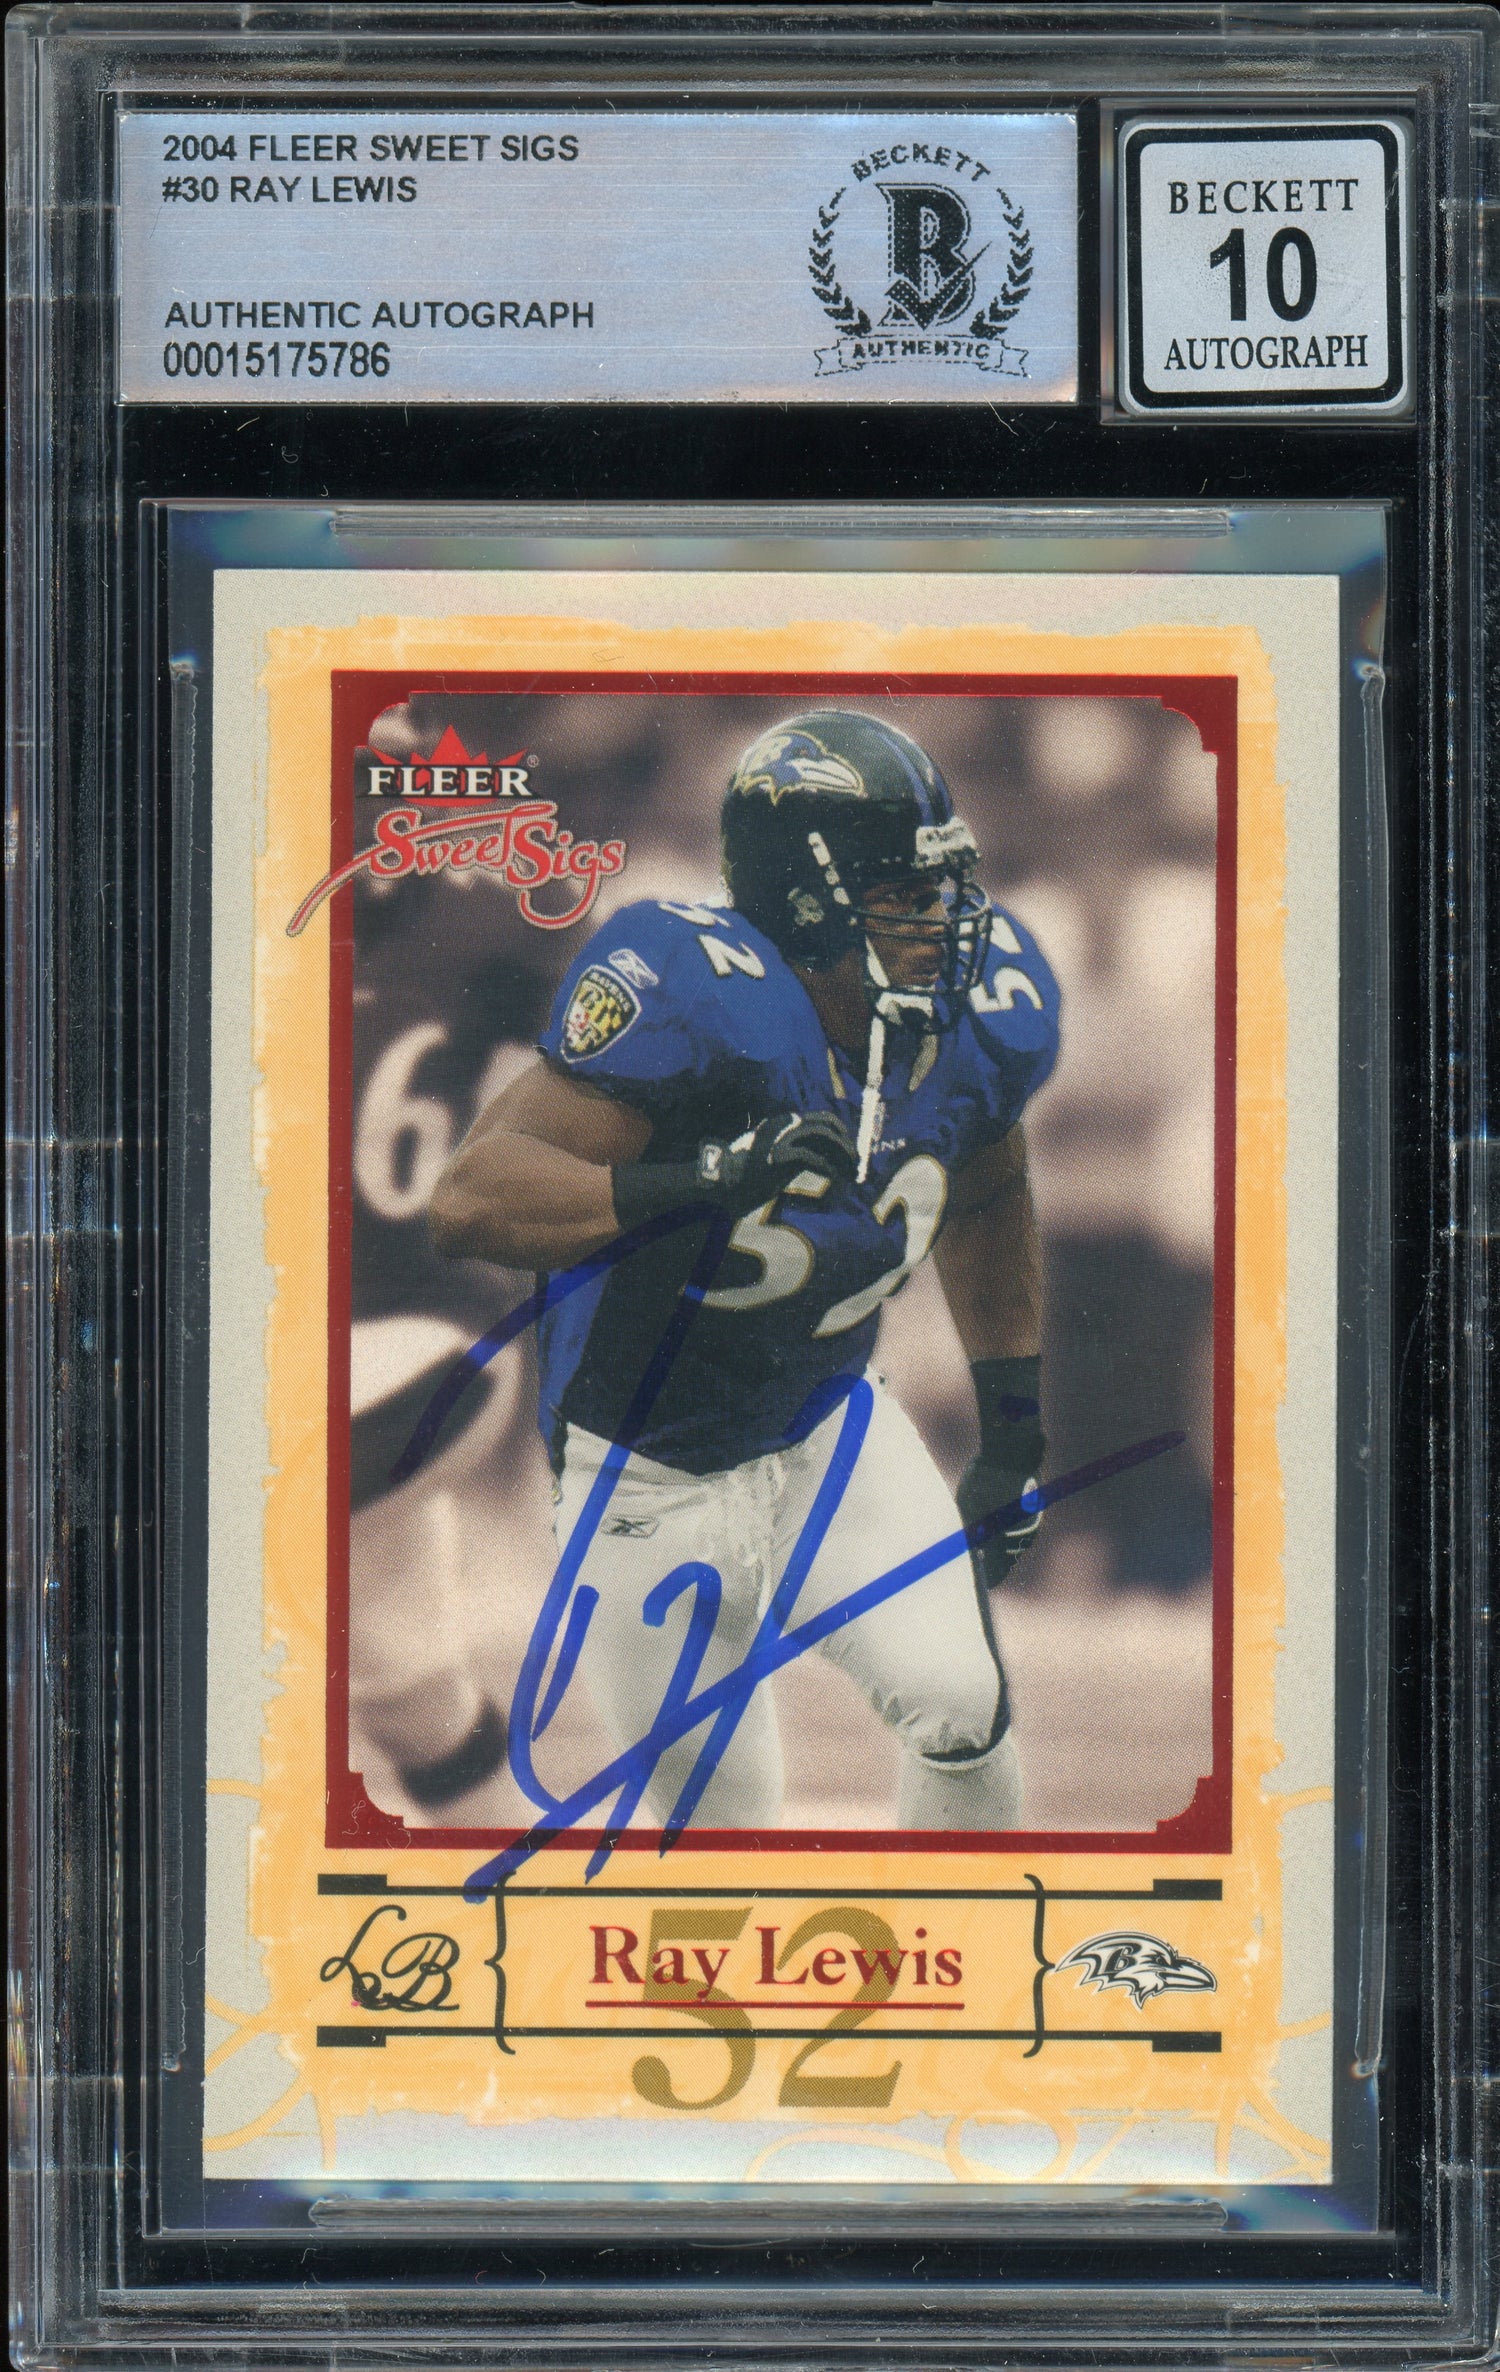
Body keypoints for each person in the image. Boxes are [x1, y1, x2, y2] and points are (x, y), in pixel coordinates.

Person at [431, 710, 1060, 1832]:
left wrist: (1011, 1428)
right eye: (903, 892)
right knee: (723, 1824)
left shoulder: (971, 1013)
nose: (945, 921)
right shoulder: (695, 990)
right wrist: (700, 1179)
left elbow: (987, 1185)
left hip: (825, 1424)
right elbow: (471, 1198)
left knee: (963, 1702)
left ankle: (963, 1935)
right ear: (809, 901)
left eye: (946, 885)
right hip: (645, 1473)